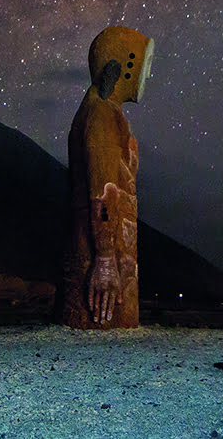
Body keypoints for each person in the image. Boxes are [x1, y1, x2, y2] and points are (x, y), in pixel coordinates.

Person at [59, 25, 154, 329]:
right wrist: (103, 258)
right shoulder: (100, 114)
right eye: (144, 65)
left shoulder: (104, 111)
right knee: (103, 314)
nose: (147, 75)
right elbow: (103, 188)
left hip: (114, 248)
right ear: (124, 65)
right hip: (103, 251)